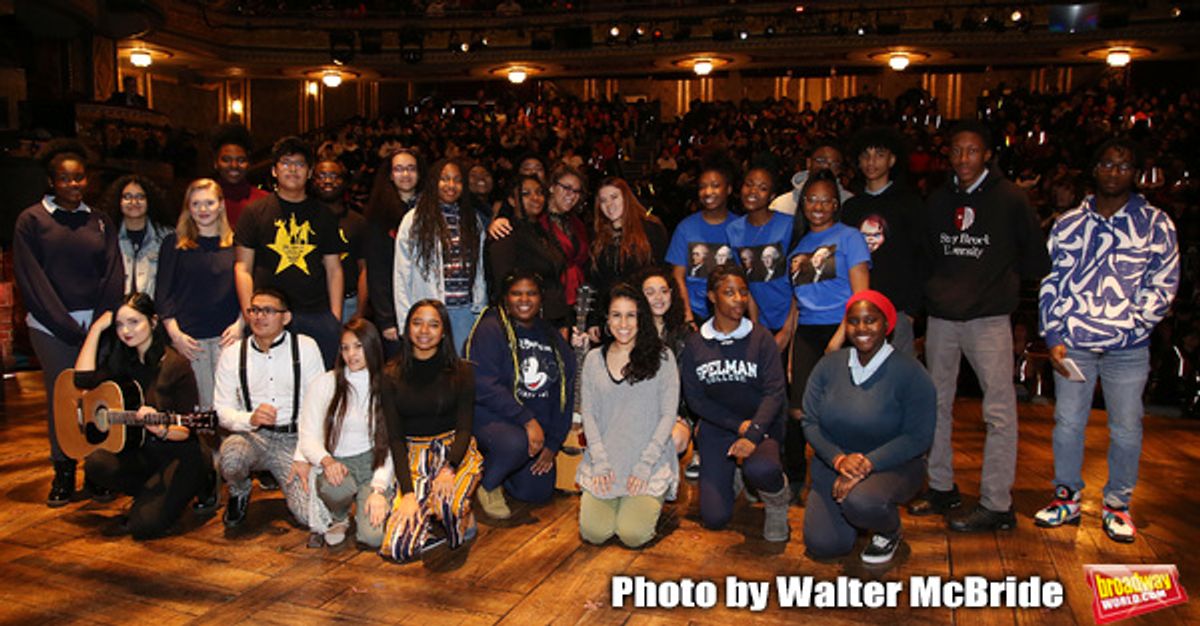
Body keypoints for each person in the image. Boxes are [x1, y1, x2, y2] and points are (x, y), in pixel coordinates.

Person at [1034, 138, 1179, 543]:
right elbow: (1051, 281)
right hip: (1074, 343)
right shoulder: (1068, 224)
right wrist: (1055, 332)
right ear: (1094, 168)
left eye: (1124, 166)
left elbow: (1164, 285)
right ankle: (1066, 497)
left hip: (1128, 348)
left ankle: (1117, 505)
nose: (1114, 172)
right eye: (1107, 164)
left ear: (1135, 173)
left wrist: (1130, 328)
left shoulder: (1156, 224)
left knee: (1127, 428)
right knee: (1067, 424)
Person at [910, 120, 1050, 532]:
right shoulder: (937, 200)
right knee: (935, 406)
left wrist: (996, 287)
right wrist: (935, 295)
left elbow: (1035, 262)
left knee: (1000, 412)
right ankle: (940, 487)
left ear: (987, 154)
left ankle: (997, 504)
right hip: (942, 319)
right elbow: (927, 256)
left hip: (989, 319)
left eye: (972, 151)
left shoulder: (1011, 199)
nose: (963, 159)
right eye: (956, 151)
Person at [13, 139, 124, 506]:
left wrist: (98, 327)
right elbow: (32, 280)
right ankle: (63, 471)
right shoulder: (31, 221)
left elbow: (112, 274)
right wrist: (69, 327)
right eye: (64, 179)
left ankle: (98, 471)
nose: (73, 185)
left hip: (96, 325)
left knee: (96, 396)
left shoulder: (100, 221)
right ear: (51, 181)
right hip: (51, 327)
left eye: (79, 178)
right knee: (63, 397)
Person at [802, 291, 935, 564]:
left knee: (862, 502)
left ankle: (888, 530)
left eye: (870, 320)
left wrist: (867, 464)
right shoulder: (828, 366)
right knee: (824, 546)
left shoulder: (911, 372)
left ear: (887, 325)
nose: (861, 328)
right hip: (834, 464)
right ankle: (854, 517)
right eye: (854, 321)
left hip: (892, 466)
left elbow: (919, 436)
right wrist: (838, 460)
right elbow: (810, 421)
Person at [73, 293, 210, 539]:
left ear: (153, 322)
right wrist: (95, 330)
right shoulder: (121, 363)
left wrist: (163, 429)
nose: (126, 330)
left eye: (134, 322)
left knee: (144, 527)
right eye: (119, 325)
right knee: (96, 463)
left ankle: (201, 482)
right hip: (142, 454)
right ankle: (151, 494)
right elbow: (81, 380)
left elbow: (189, 429)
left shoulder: (176, 365)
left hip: (179, 456)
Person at [679, 265, 790, 541]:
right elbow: (696, 400)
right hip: (720, 426)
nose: (739, 299)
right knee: (715, 518)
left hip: (761, 424)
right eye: (729, 292)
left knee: (761, 469)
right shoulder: (696, 344)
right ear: (712, 297)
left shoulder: (761, 338)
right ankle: (734, 477)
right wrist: (736, 425)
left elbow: (775, 392)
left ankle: (777, 502)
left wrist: (752, 433)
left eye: (743, 292)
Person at [785, 170, 871, 502]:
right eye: (812, 199)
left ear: (836, 204)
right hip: (807, 333)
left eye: (825, 200)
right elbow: (797, 304)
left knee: (842, 411)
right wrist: (793, 353)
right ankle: (795, 479)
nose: (818, 206)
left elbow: (861, 295)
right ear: (803, 204)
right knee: (799, 412)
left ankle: (848, 478)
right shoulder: (799, 246)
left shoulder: (850, 237)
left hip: (846, 330)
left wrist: (839, 338)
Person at [380, 300, 484, 561]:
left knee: (448, 504)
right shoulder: (390, 374)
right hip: (414, 456)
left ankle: (463, 514)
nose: (424, 330)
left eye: (433, 324)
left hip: (453, 451)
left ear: (444, 331)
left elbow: (464, 428)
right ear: (407, 328)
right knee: (397, 550)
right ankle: (426, 516)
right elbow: (394, 438)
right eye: (417, 322)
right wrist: (407, 494)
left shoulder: (463, 372)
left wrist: (450, 468)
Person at [466, 269, 575, 519]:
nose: (524, 300)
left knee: (537, 492)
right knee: (516, 442)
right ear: (505, 298)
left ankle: (504, 467)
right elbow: (483, 385)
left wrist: (552, 444)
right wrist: (527, 419)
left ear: (540, 298)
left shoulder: (553, 338)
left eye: (531, 294)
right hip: (493, 420)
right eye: (516, 294)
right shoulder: (490, 328)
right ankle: (488, 484)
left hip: (532, 430)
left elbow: (565, 394)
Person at [577, 284, 679, 548]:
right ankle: (620, 503)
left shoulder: (663, 357)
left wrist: (645, 465)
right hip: (606, 463)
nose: (623, 323)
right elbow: (588, 414)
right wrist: (599, 461)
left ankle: (645, 502)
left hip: (647, 462)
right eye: (616, 315)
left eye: (631, 315)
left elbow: (668, 415)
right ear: (607, 320)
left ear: (641, 318)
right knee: (594, 533)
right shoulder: (592, 360)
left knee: (633, 535)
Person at [213, 287, 325, 528]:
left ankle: (286, 481)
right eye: (254, 310)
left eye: (268, 311)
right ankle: (239, 490)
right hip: (254, 436)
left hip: (294, 440)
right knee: (230, 458)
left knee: (309, 517)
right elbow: (221, 410)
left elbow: (318, 407)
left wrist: (303, 455)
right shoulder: (232, 354)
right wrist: (249, 419)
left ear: (286, 317)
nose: (258, 316)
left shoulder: (306, 348)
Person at [234, 136, 346, 368]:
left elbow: (334, 268)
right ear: (274, 170)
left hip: (316, 314)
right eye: (285, 163)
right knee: (269, 386)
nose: (292, 169)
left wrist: (334, 317)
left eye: (299, 164)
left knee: (319, 385)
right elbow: (242, 267)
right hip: (268, 314)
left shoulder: (324, 215)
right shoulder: (254, 212)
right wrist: (250, 314)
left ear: (309, 172)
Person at [297, 318, 394, 548]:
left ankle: (378, 503)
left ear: (372, 346)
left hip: (373, 463)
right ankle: (338, 516)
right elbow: (308, 435)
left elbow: (391, 444)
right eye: (345, 347)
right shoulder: (325, 383)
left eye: (358, 346)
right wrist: (327, 460)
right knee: (336, 487)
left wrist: (379, 489)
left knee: (373, 538)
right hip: (339, 463)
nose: (351, 354)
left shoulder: (387, 385)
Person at [155, 178, 242, 412]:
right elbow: (163, 295)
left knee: (232, 408)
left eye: (209, 203)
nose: (203, 209)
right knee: (202, 412)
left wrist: (240, 325)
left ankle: (231, 451)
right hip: (191, 342)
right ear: (188, 207)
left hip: (229, 338)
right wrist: (176, 336)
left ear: (221, 205)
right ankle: (208, 451)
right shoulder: (173, 244)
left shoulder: (237, 244)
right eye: (196, 204)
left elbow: (249, 292)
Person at [840, 127, 927, 355]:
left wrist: (911, 310)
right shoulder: (850, 207)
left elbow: (922, 256)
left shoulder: (909, 203)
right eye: (865, 155)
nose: (871, 162)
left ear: (892, 160)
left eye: (879, 155)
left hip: (897, 310)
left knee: (898, 380)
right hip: (858, 309)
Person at [394, 158, 486, 354]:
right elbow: (401, 275)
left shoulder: (472, 220)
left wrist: (480, 308)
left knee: (462, 372)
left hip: (466, 312)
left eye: (457, 180)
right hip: (429, 314)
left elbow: (480, 271)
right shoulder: (414, 220)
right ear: (434, 181)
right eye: (444, 179)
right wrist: (405, 321)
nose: (451, 185)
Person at [587, 177, 669, 337]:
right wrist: (593, 320)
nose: (609, 205)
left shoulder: (651, 229)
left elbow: (664, 273)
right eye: (603, 200)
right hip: (612, 318)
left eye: (614, 197)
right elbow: (596, 282)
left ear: (626, 197)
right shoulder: (597, 237)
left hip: (645, 315)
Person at [486, 175, 570, 327]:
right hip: (527, 322)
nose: (535, 198)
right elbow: (503, 286)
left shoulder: (543, 231)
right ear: (512, 201)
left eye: (539, 192)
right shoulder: (505, 232)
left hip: (554, 318)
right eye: (526, 194)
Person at [726, 167, 795, 349]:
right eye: (749, 185)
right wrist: (755, 325)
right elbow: (746, 281)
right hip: (760, 321)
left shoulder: (788, 225)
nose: (753, 191)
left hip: (793, 319)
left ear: (772, 196)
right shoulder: (734, 230)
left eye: (762, 188)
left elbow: (800, 282)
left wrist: (787, 330)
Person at [364, 148, 421, 356]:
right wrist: (387, 319)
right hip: (394, 312)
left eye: (411, 169)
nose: (405, 175)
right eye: (399, 169)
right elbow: (377, 271)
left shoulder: (431, 209)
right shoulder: (378, 215)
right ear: (390, 174)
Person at [666, 159, 737, 324]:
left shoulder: (740, 228)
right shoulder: (685, 228)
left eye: (715, 185)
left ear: (728, 189)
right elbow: (678, 276)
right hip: (694, 313)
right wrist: (688, 317)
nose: (708, 192)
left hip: (731, 312)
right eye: (702, 187)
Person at [639, 267, 696, 466]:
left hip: (675, 413)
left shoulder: (685, 335)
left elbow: (692, 387)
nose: (658, 297)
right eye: (650, 292)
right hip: (636, 413)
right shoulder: (628, 333)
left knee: (674, 439)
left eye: (664, 291)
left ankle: (662, 484)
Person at [313, 159, 369, 322]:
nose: (328, 181)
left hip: (348, 304)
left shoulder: (357, 221)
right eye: (322, 175)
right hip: (312, 304)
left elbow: (364, 270)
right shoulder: (303, 220)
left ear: (344, 182)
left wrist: (360, 311)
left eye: (334, 176)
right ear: (313, 180)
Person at [103, 174, 171, 298]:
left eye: (140, 197)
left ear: (149, 200)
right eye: (127, 197)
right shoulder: (106, 238)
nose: (134, 202)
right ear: (118, 201)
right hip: (117, 313)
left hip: (155, 314)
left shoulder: (167, 238)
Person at [769, 140, 854, 218]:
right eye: (821, 161)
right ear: (809, 163)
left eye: (834, 164)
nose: (827, 167)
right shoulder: (782, 205)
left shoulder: (849, 204)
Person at [210, 124, 267, 227]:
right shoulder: (202, 199)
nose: (234, 165)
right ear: (215, 163)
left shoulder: (264, 201)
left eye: (241, 160)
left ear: (249, 164)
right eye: (226, 160)